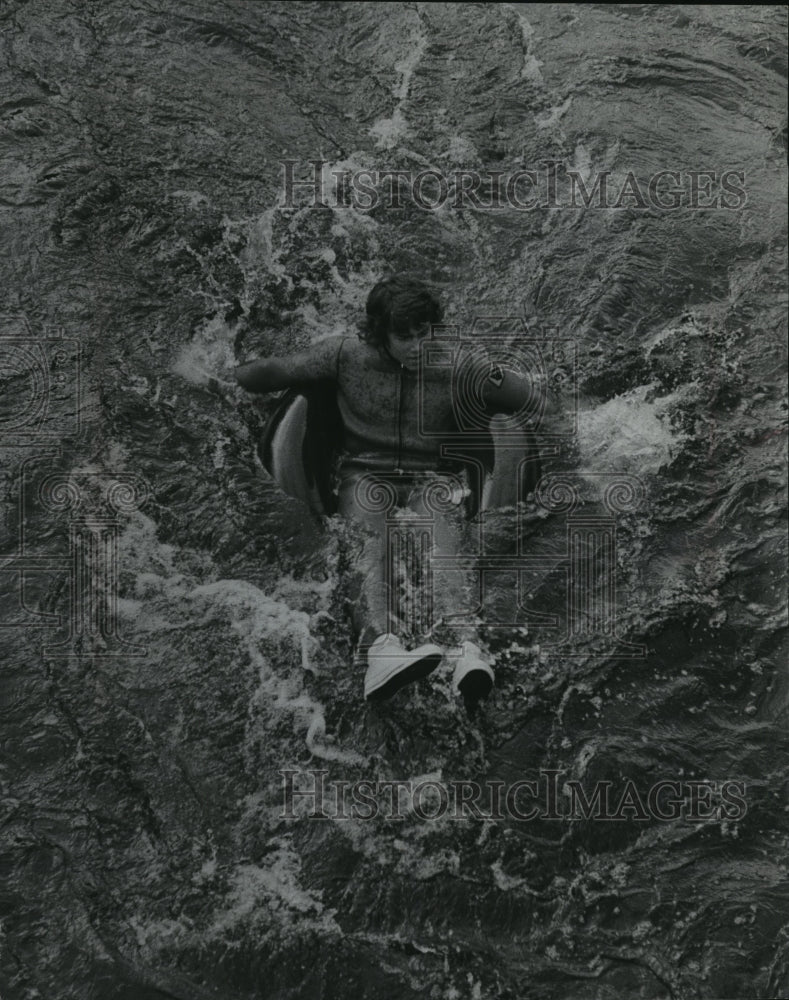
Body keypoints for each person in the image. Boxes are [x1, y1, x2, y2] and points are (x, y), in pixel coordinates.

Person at [234, 274, 536, 705]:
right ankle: (381, 650)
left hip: (428, 481)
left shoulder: (459, 365)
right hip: (366, 475)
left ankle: (468, 650)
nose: (417, 345)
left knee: (446, 553)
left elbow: (527, 396)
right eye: (404, 336)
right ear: (380, 334)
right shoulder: (346, 356)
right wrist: (220, 380)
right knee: (366, 545)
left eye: (423, 333)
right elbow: (276, 370)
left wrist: (581, 421)